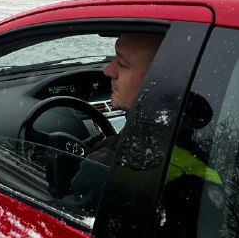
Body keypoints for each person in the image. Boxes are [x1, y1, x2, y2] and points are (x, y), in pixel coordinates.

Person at [61, 33, 163, 209]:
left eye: (122, 63)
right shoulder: (188, 134)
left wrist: (58, 185)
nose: (108, 70)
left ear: (157, 79)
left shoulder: (108, 169)